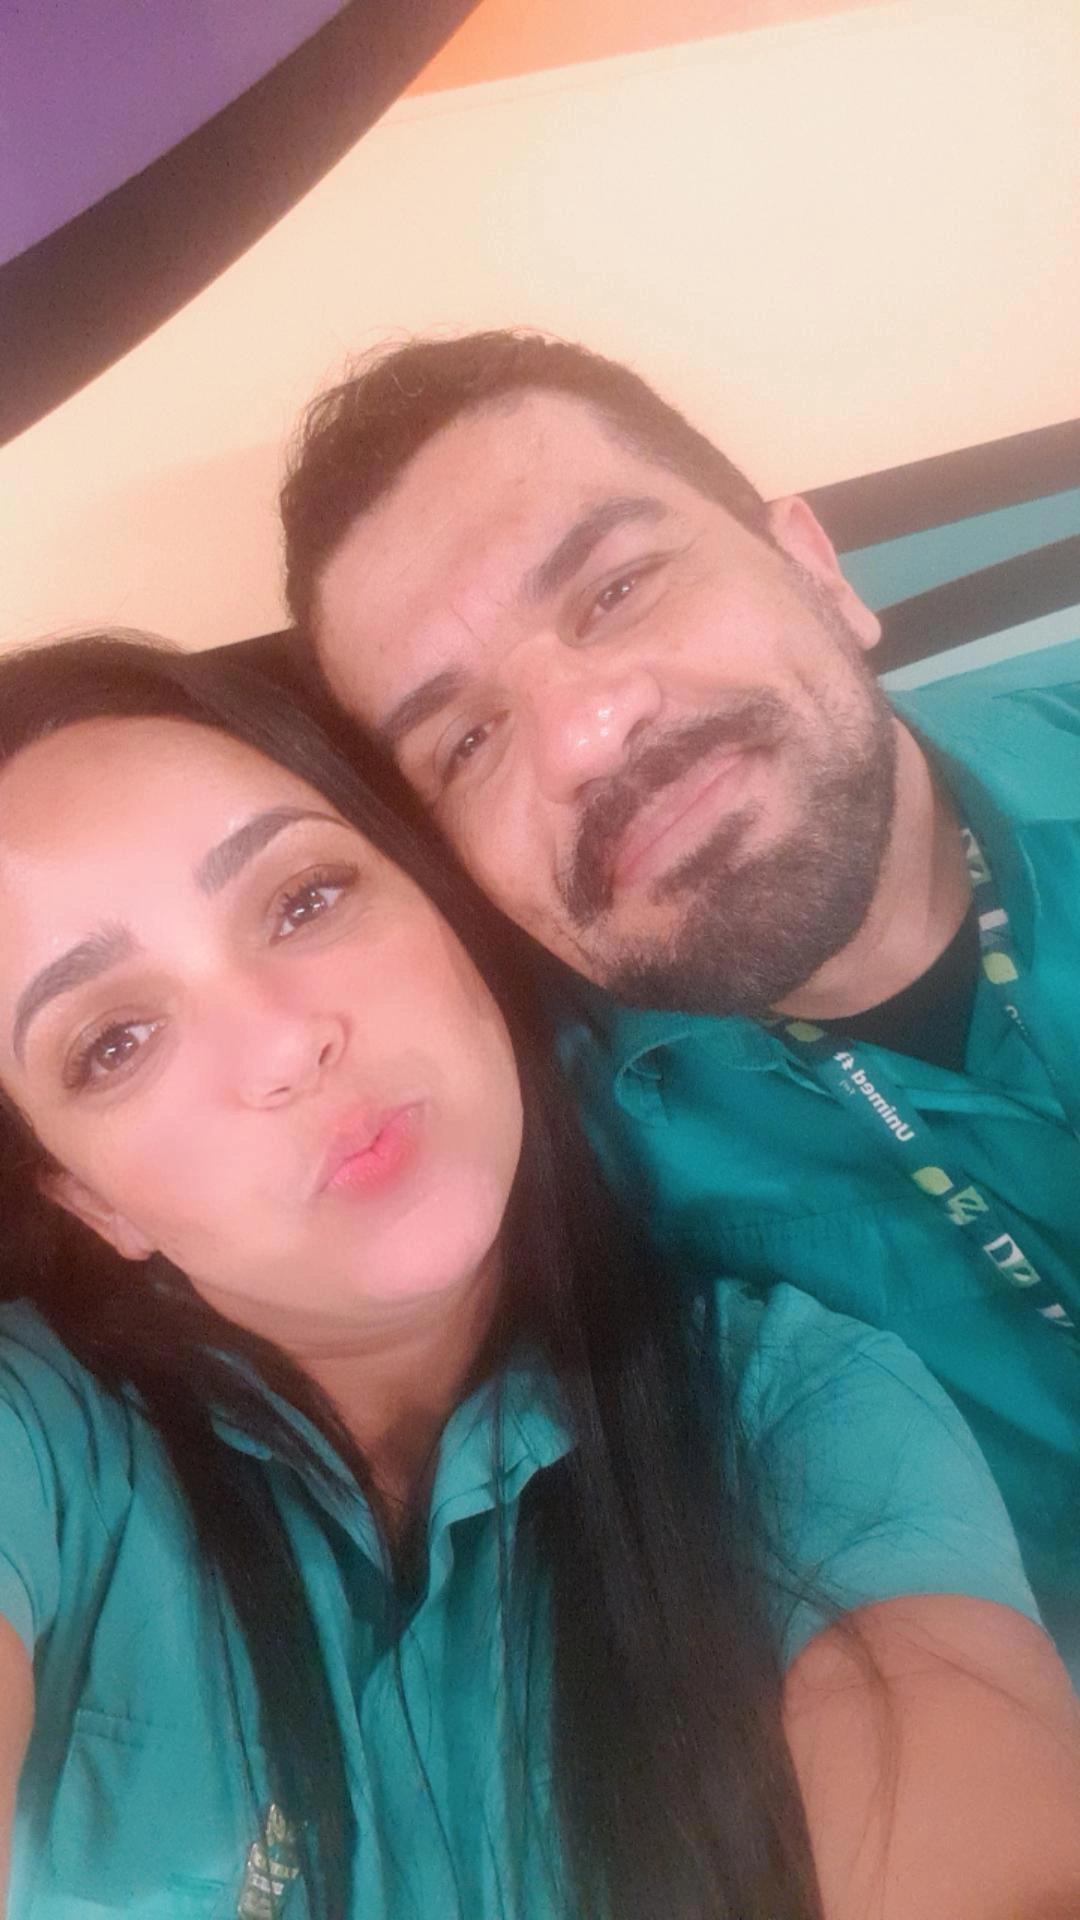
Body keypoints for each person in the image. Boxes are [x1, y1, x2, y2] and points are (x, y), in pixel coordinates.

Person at [0, 637, 1078, 1920]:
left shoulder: (807, 1409)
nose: (286, 1045)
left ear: (447, 915)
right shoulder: (42, 1446)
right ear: (92, 1200)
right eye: (114, 1041)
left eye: (304, 899)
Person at [278, 329, 1080, 1665]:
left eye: (616, 590)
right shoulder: (547, 1201)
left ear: (817, 571)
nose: (585, 738)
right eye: (467, 740)